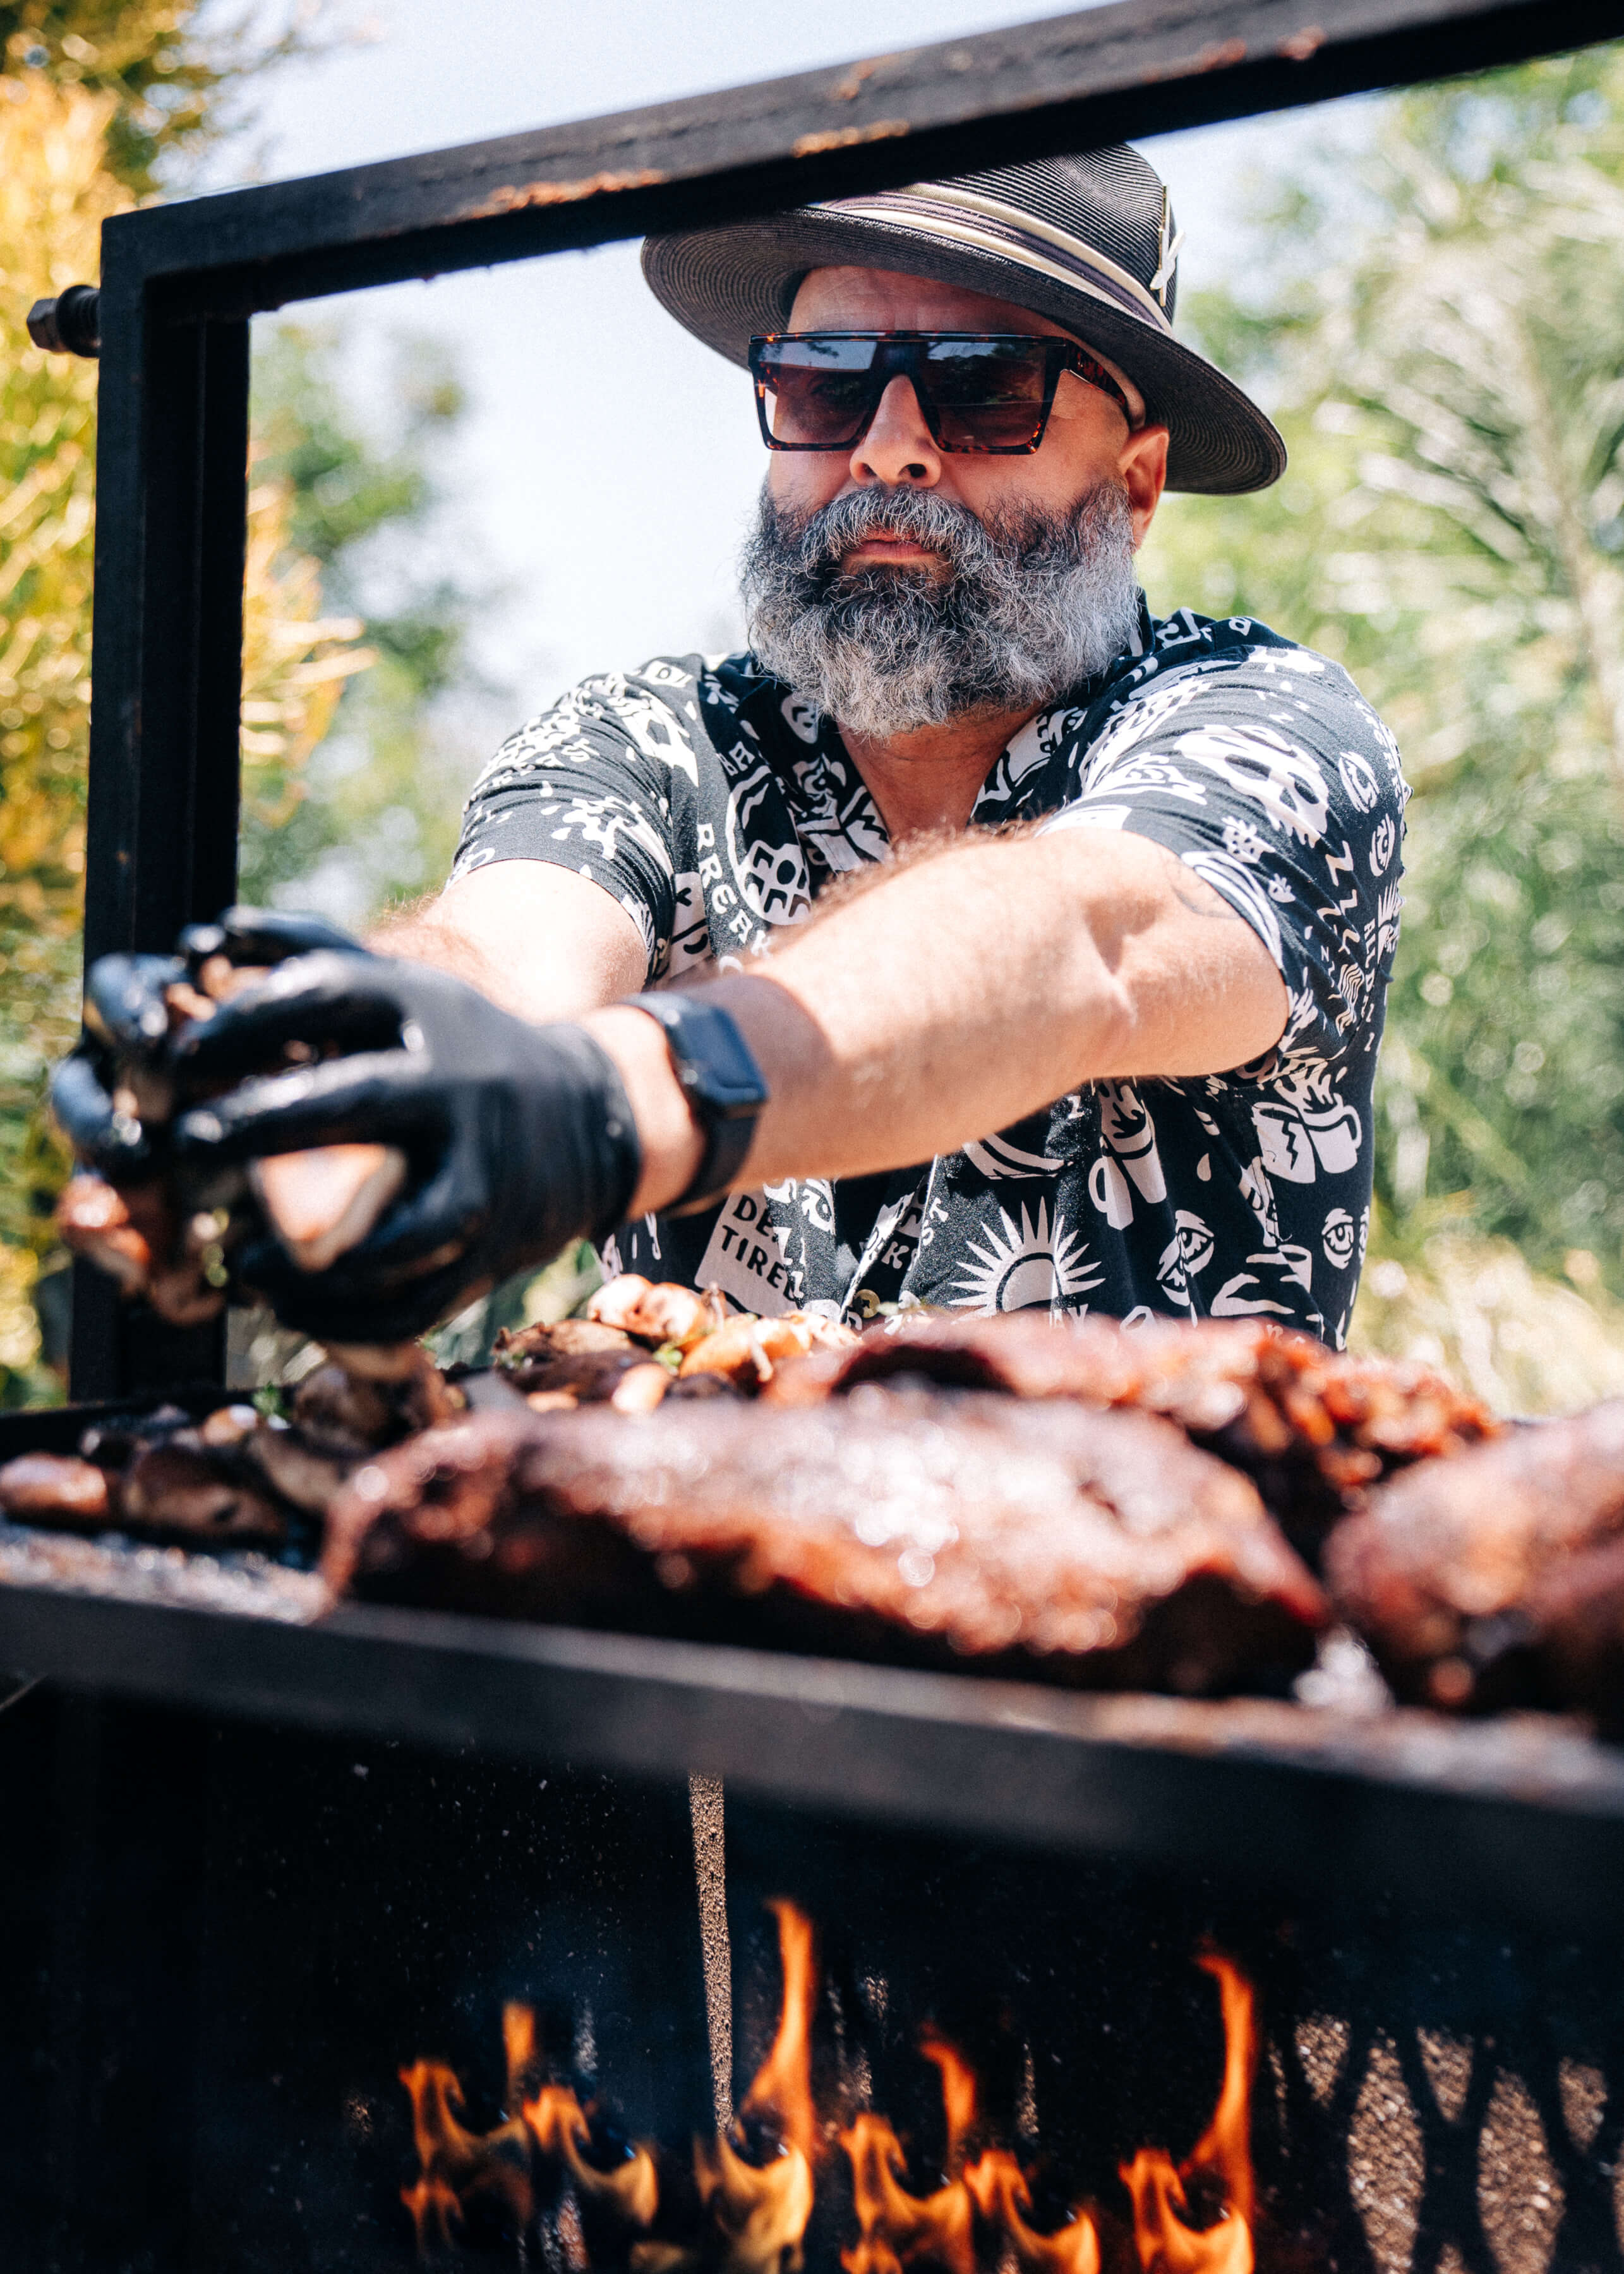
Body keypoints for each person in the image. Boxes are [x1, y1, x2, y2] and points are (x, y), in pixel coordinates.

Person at [56, 147, 1405, 1351]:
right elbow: (506, 958)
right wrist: (328, 1067)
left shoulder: (1262, 725)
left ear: (1135, 483)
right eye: (822, 389)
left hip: (1150, 1609)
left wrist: (601, 1107)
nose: (890, 452)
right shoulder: (654, 739)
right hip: (674, 1609)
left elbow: (1081, 938)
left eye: (982, 389)